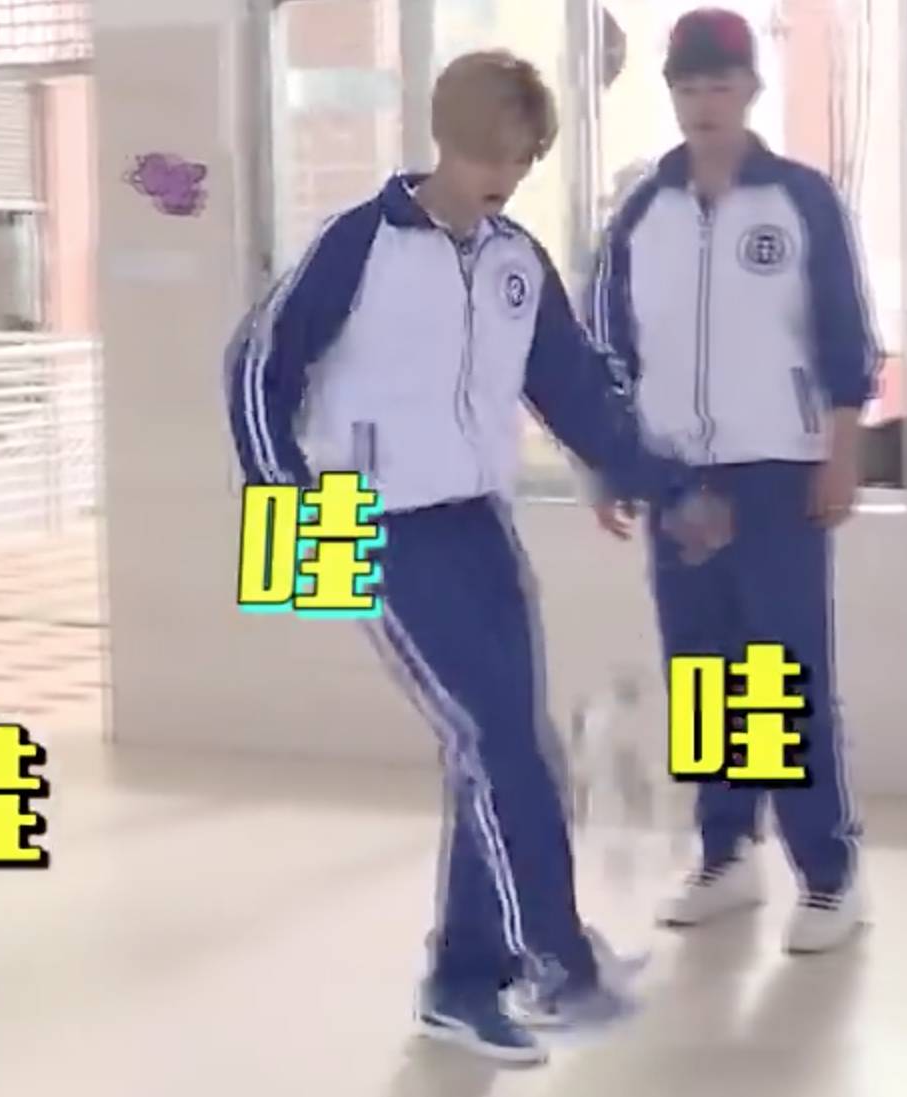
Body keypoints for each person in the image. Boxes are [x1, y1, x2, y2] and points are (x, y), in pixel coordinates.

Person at [224, 50, 730, 1064]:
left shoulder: (514, 262)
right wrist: (292, 506)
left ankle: (463, 980)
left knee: (503, 749)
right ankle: (555, 964)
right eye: (487, 155)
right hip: (366, 522)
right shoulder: (359, 244)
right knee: (499, 743)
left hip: (478, 524)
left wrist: (670, 486)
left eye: (520, 159)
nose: (502, 177)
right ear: (445, 141)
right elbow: (257, 367)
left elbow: (577, 394)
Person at [585, 8, 878, 955]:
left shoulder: (799, 200)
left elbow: (843, 334)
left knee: (783, 672)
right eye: (687, 88)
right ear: (670, 95)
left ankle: (828, 874)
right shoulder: (640, 211)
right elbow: (609, 351)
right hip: (677, 475)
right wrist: (611, 460)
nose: (704, 104)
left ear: (751, 89)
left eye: (720, 85)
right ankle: (727, 853)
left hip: (777, 470)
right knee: (704, 665)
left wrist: (840, 448)